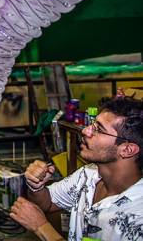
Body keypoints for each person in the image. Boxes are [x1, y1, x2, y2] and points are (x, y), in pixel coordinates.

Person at [10, 97, 143, 240]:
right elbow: (48, 203)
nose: (86, 131)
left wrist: (42, 227)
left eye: (99, 129)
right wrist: (36, 186)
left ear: (127, 150)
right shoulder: (89, 175)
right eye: (92, 124)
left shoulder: (138, 217)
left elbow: (43, 222)